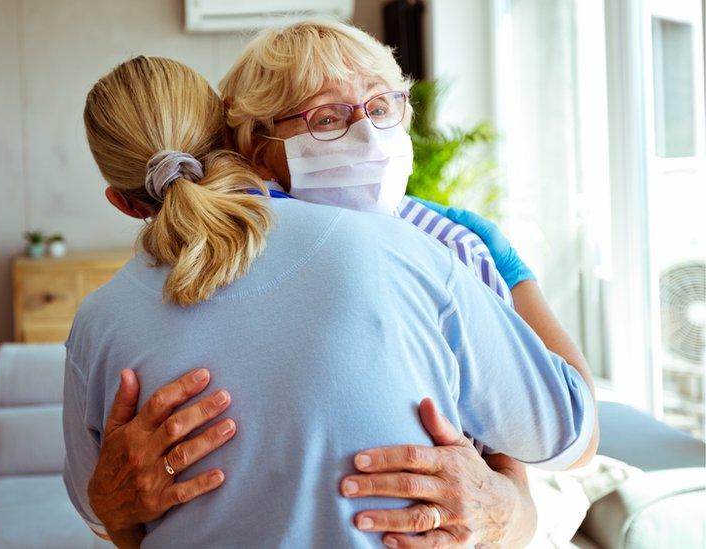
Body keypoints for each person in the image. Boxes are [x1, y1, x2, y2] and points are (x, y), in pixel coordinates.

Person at [83, 20, 596, 548]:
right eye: (325, 119)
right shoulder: (418, 254)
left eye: (380, 108)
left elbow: (541, 428)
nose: (368, 138)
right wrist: (518, 510)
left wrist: (513, 507)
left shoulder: (449, 245)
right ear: (256, 151)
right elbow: (570, 430)